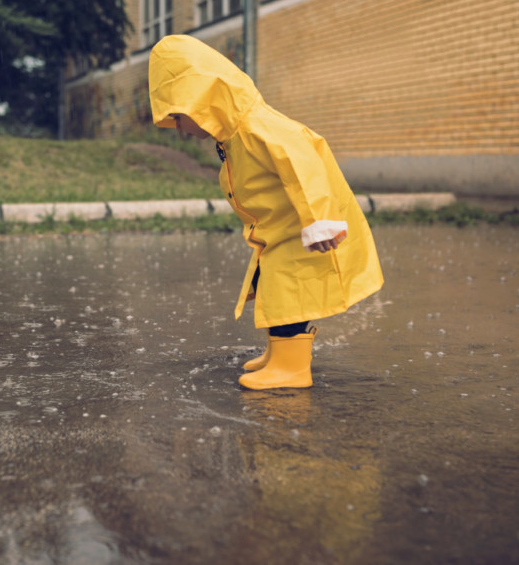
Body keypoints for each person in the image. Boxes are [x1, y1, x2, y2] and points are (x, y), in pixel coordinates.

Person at [148, 34, 384, 390]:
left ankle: (292, 368)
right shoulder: (233, 135)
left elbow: (303, 168)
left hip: (299, 231)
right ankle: (280, 354)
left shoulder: (256, 127)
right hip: (279, 232)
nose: (178, 127)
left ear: (201, 101)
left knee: (290, 295)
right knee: (274, 289)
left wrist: (319, 222)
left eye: (178, 115)